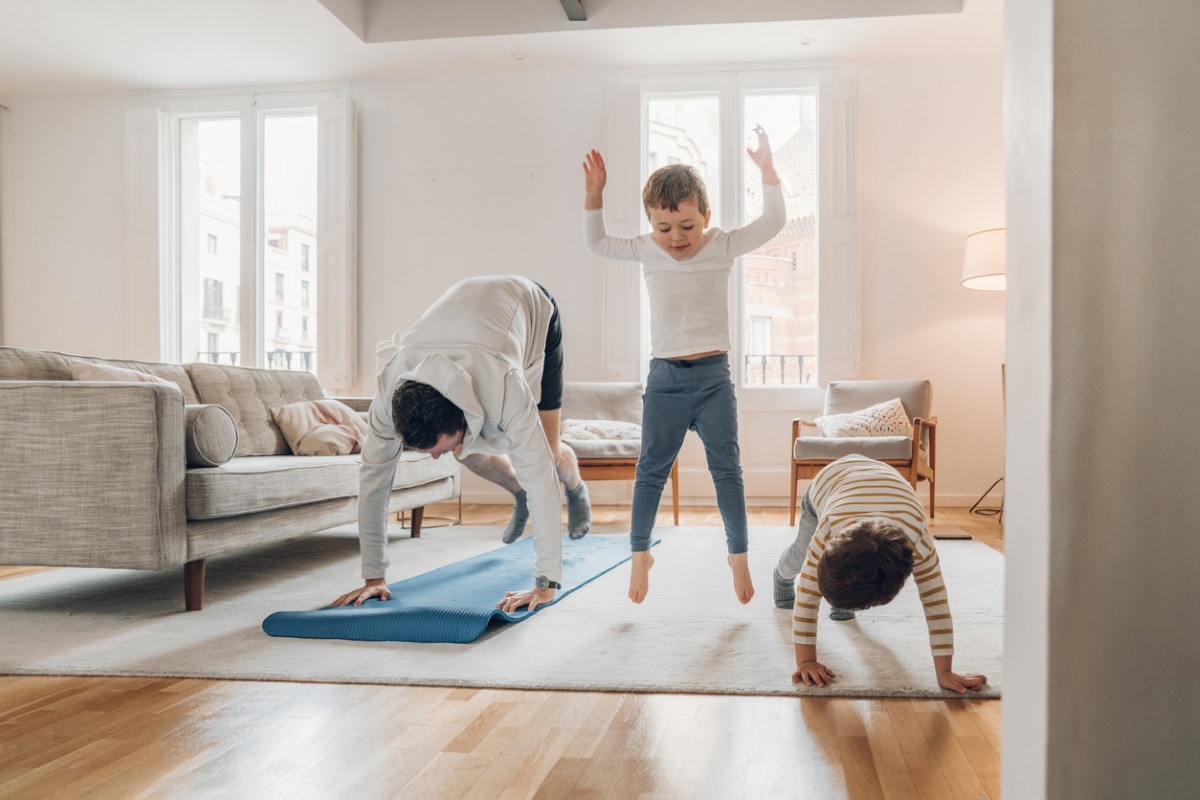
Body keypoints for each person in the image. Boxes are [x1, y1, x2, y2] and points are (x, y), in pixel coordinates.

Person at [581, 126, 785, 605]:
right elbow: (596, 243)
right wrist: (594, 195)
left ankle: (738, 555)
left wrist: (769, 174)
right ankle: (639, 556)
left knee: (727, 469)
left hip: (714, 378)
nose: (676, 238)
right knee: (650, 470)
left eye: (687, 227)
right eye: (664, 228)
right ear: (651, 224)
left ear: (706, 218)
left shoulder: (722, 245)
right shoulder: (644, 248)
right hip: (665, 380)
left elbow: (773, 223)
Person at [332, 275, 591, 613]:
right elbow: (373, 482)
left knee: (549, 452)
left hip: (532, 310)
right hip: (468, 322)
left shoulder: (504, 384)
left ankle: (576, 487)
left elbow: (540, 476)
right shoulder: (388, 392)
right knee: (463, 452)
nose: (436, 458)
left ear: (461, 418)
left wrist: (546, 583)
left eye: (437, 447)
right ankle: (518, 492)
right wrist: (373, 577)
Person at [774, 454, 987, 694]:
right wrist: (806, 661)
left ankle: (843, 603)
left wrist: (945, 671)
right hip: (827, 484)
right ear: (846, 527)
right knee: (800, 553)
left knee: (855, 579)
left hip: (880, 484)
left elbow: (935, 603)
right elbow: (807, 596)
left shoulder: (919, 543)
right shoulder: (829, 528)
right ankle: (781, 577)